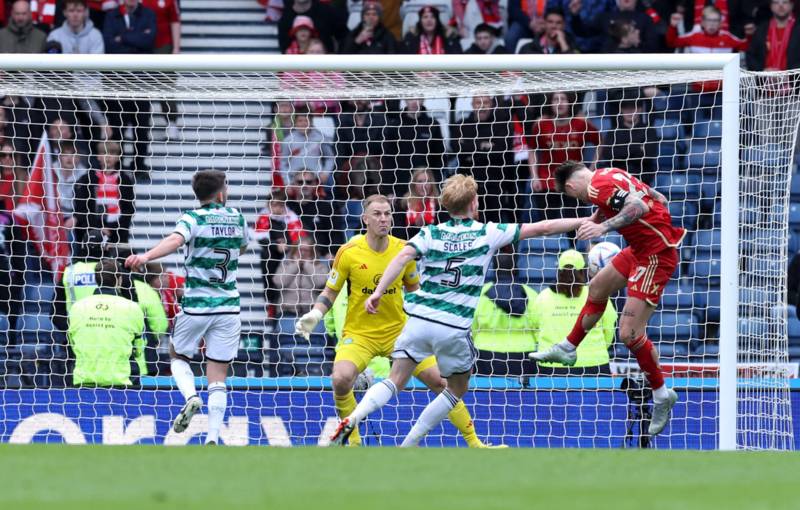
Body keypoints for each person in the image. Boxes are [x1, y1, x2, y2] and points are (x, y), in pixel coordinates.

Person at [329, 174, 589, 446]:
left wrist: (379, 291)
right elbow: (543, 227)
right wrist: (583, 221)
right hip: (452, 326)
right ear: (474, 204)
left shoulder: (430, 232)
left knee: (395, 380)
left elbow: (402, 256)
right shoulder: (487, 232)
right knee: (455, 388)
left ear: (445, 205)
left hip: (418, 320)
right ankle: (408, 445)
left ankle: (353, 418)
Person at [297, 193, 503, 448]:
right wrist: (315, 314)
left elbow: (415, 291)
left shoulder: (403, 250)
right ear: (365, 219)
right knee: (340, 378)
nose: (384, 219)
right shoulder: (348, 252)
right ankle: (353, 445)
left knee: (442, 382)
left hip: (400, 333)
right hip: (361, 334)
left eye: (387, 214)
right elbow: (329, 293)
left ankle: (474, 443)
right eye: (377, 214)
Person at [531, 161, 682, 436]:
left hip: (654, 256)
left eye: (572, 196)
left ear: (570, 186)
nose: (578, 198)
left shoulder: (595, 186)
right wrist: (600, 219)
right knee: (598, 287)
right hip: (640, 248)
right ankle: (568, 347)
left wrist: (603, 228)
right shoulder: (610, 173)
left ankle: (661, 395)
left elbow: (640, 207)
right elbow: (658, 198)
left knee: (629, 333)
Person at [125, 169, 250, 445]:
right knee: (218, 374)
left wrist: (145, 256)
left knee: (178, 356)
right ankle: (213, 437)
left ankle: (191, 397)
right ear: (221, 193)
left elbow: (175, 240)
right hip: (229, 306)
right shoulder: (237, 217)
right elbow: (241, 248)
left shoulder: (192, 218)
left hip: (196, 305)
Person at [530, 249, 616, 375]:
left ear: (558, 271)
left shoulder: (542, 297)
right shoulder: (597, 293)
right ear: (583, 271)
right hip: (594, 363)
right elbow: (609, 330)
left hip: (552, 365)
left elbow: (535, 329)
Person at [67, 259, 144, 386]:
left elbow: (73, 343)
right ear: (119, 279)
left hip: (84, 380)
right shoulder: (132, 307)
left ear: (96, 279)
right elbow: (138, 349)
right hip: (122, 381)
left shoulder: (77, 307)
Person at [527, 91, 599, 220]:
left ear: (570, 102)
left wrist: (592, 169)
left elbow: (600, 142)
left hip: (575, 179)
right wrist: (534, 177)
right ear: (550, 103)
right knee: (548, 224)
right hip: (547, 180)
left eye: (563, 99)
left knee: (576, 223)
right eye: (555, 99)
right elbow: (531, 149)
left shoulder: (581, 123)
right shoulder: (541, 124)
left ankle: (574, 241)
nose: (559, 103)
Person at [472, 253, 538, 377]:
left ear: (494, 269)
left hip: (486, 352)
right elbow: (537, 326)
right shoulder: (530, 294)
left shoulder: (480, 294)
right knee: (523, 395)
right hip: (523, 352)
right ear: (515, 268)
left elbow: (472, 325)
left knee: (486, 394)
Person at [73, 140, 135, 246]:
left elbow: (128, 209)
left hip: (118, 234)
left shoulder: (124, 180)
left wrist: (112, 229)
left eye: (112, 153)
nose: (108, 157)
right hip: (91, 232)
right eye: (104, 153)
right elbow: (83, 208)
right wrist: (98, 228)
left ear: (118, 157)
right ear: (98, 156)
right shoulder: (88, 179)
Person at [273, 237, 329, 318]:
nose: (302, 253)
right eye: (300, 249)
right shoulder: (285, 264)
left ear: (312, 252)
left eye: (306, 250)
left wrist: (307, 265)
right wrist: (295, 265)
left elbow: (320, 283)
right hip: (287, 310)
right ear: (295, 250)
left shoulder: (320, 266)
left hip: (312, 310)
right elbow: (279, 283)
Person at [746, 0, 799, 71]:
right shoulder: (761, 29)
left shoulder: (798, 28)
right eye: (776, 2)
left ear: (792, 5)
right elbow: (751, 56)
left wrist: (790, 74)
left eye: (785, 2)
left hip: (794, 80)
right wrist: (763, 71)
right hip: (765, 79)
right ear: (771, 6)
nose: (781, 6)